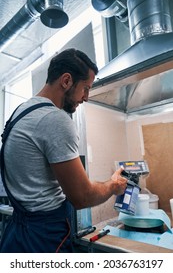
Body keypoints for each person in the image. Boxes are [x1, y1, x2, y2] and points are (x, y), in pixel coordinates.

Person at [0, 48, 127, 253]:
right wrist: (113, 186)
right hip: (44, 238)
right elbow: (82, 197)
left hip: (17, 234)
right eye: (85, 88)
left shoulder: (20, 113)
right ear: (66, 81)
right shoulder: (54, 119)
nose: (86, 97)